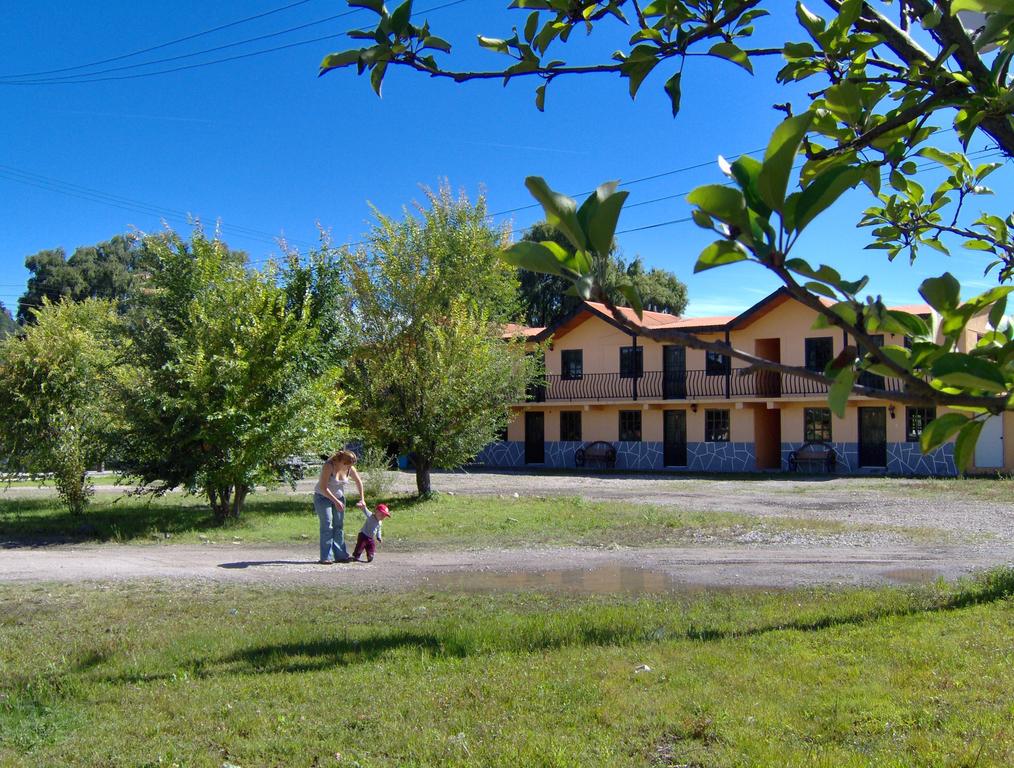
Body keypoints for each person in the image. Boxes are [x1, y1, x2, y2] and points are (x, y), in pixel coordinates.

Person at [314, 450, 366, 564]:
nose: (350, 467)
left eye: (351, 465)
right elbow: (323, 487)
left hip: (339, 499)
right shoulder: (328, 466)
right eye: (348, 464)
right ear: (341, 461)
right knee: (327, 525)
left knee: (339, 526)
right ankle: (326, 557)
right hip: (322, 497)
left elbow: (359, 482)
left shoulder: (349, 468)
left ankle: (341, 555)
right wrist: (336, 501)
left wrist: (362, 499)